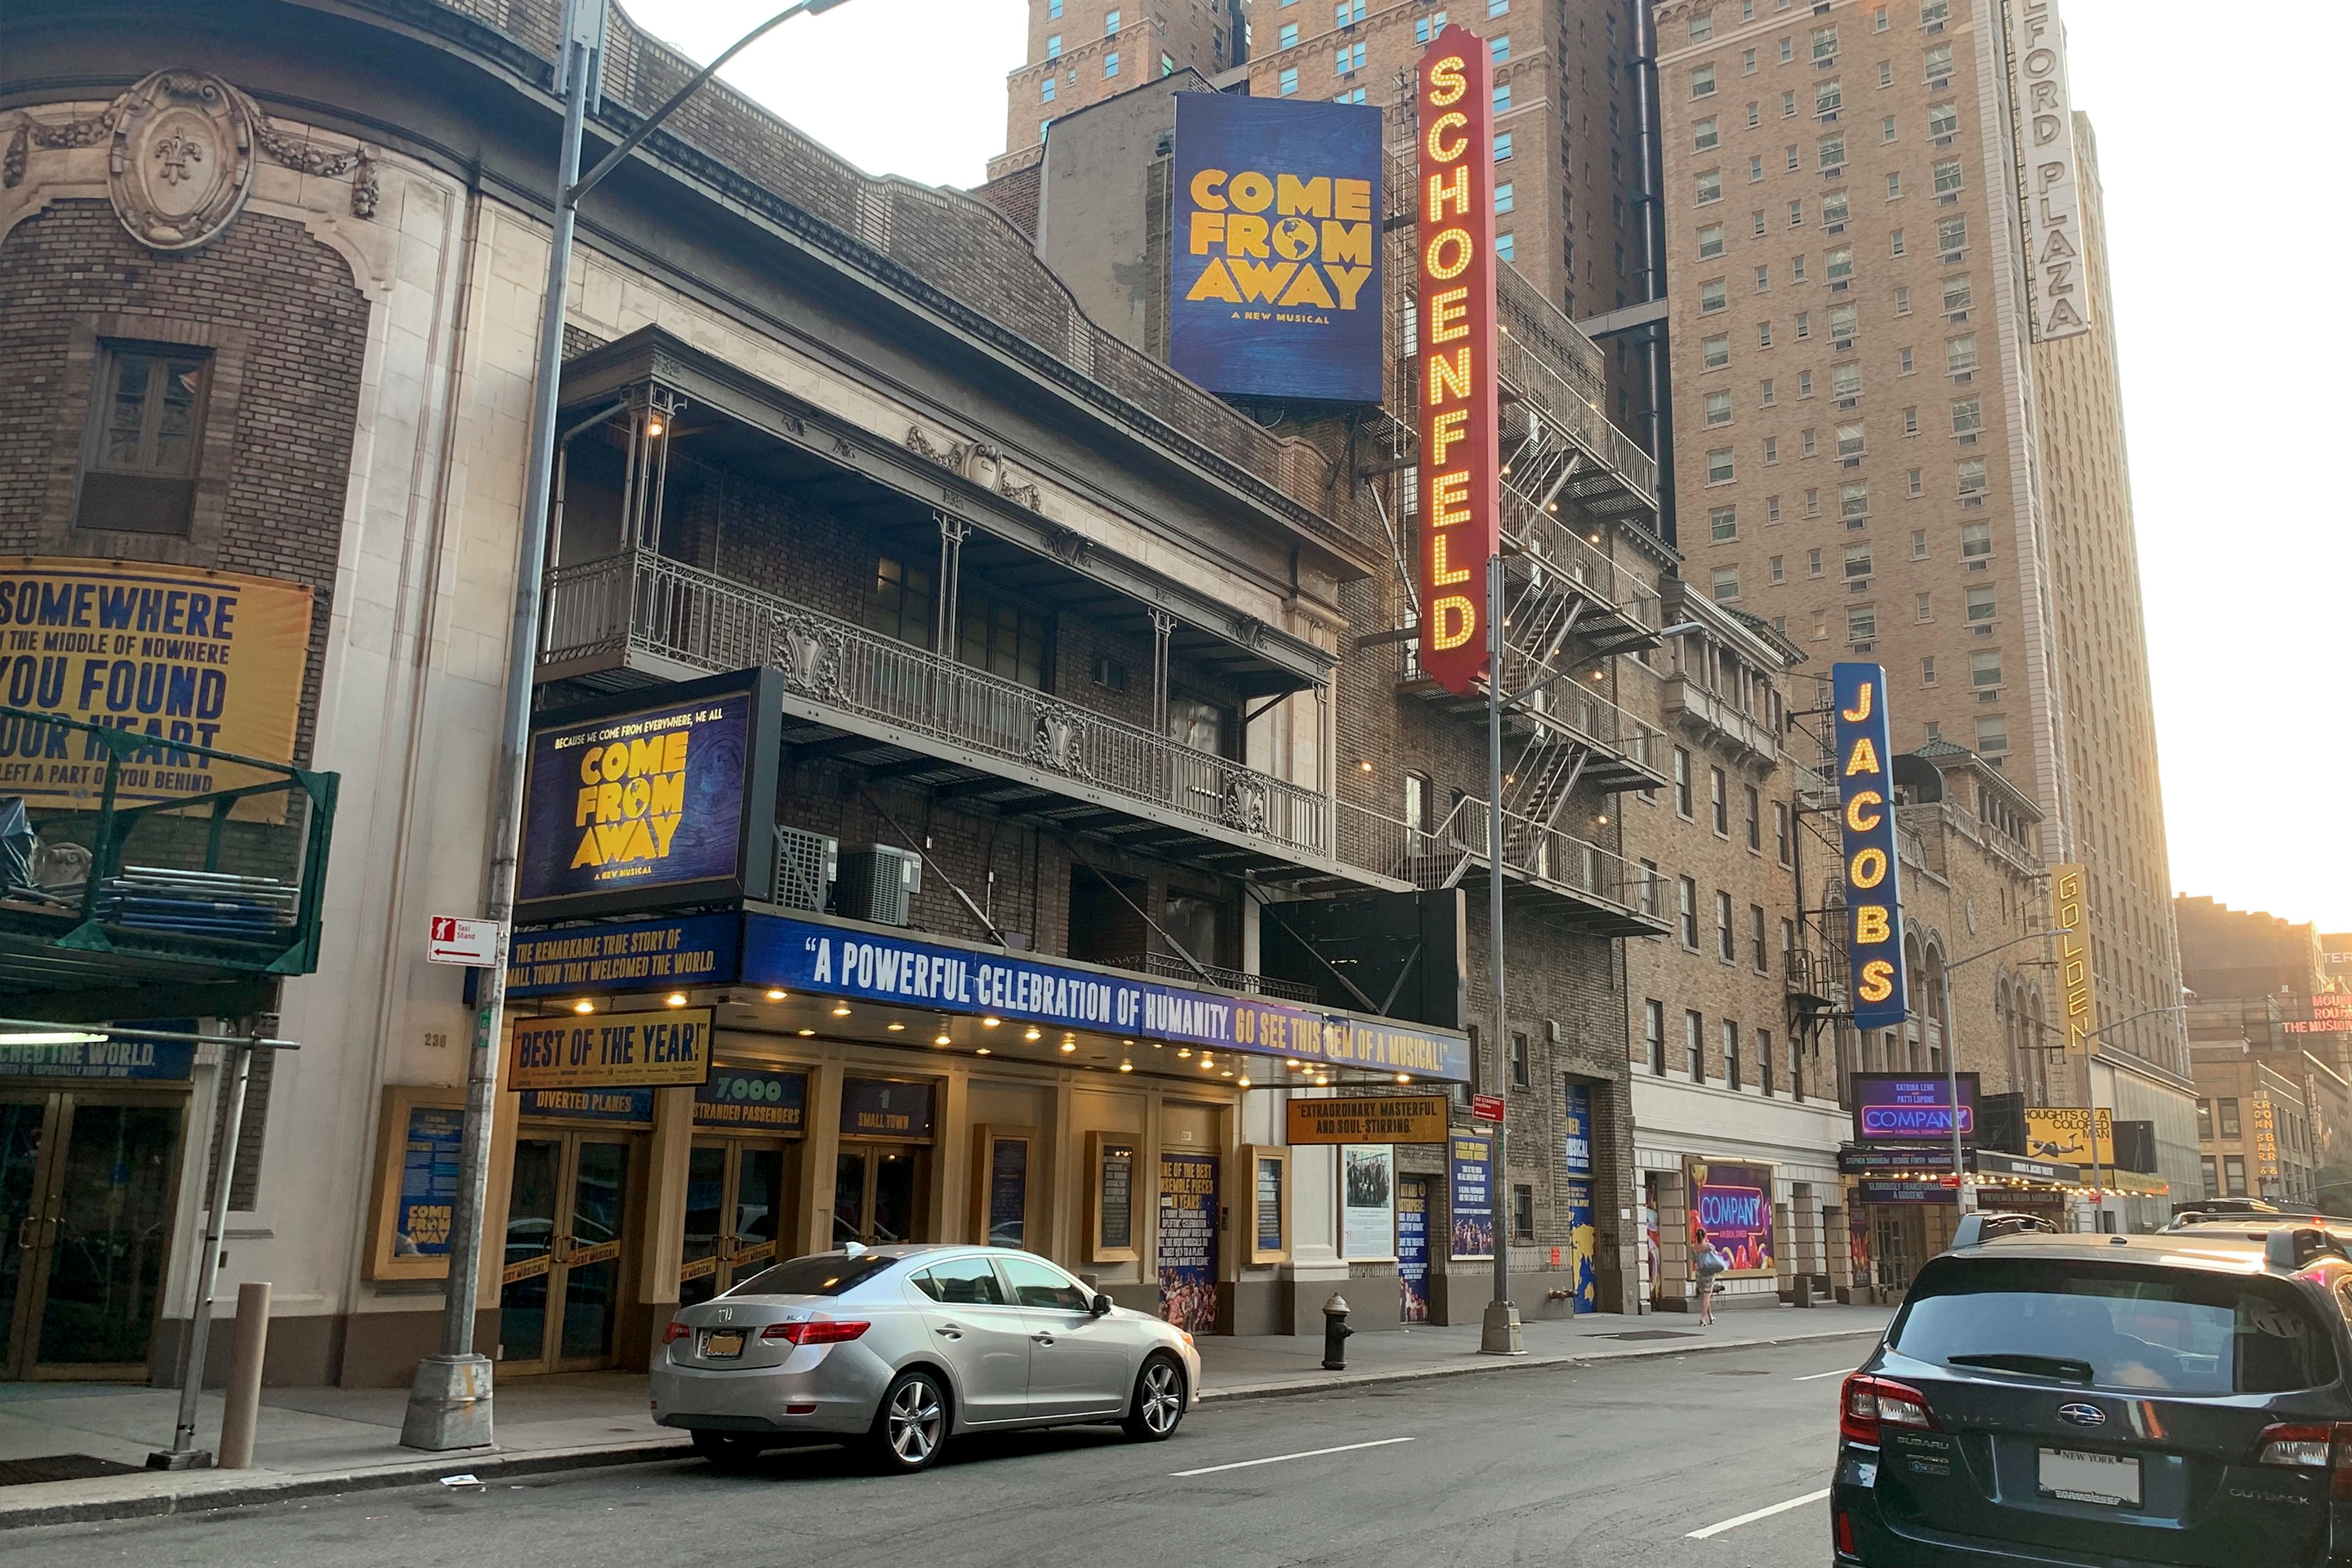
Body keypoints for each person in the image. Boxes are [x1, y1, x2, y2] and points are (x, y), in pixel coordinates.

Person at [1695, 1232, 1730, 1325]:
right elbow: (1715, 1257)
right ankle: (1702, 1318)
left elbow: (1694, 1260)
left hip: (1699, 1273)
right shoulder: (1709, 1247)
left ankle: (1711, 1316)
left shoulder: (1693, 1247)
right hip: (1709, 1273)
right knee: (1707, 1296)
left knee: (1706, 1296)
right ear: (1705, 1236)